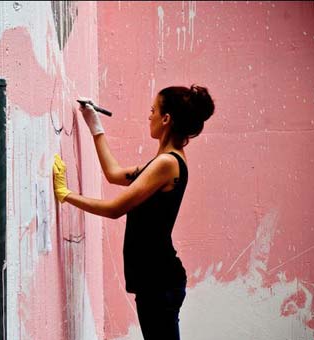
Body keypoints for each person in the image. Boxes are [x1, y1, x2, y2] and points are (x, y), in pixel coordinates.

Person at [53, 85, 215, 340]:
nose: (148, 116)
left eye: (153, 110)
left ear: (166, 118)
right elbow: (114, 174)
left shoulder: (167, 164)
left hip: (159, 283)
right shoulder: (165, 162)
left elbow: (115, 209)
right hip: (158, 281)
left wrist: (67, 195)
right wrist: (95, 125)